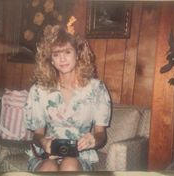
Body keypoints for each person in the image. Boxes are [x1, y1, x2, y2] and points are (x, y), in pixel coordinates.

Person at [25, 25, 111, 171]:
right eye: (56, 54)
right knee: (48, 168)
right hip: (48, 154)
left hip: (80, 155)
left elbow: (101, 135)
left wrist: (93, 140)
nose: (62, 59)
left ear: (78, 54)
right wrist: (44, 142)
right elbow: (37, 135)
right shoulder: (39, 90)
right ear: (51, 60)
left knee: (69, 165)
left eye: (67, 52)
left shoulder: (97, 89)